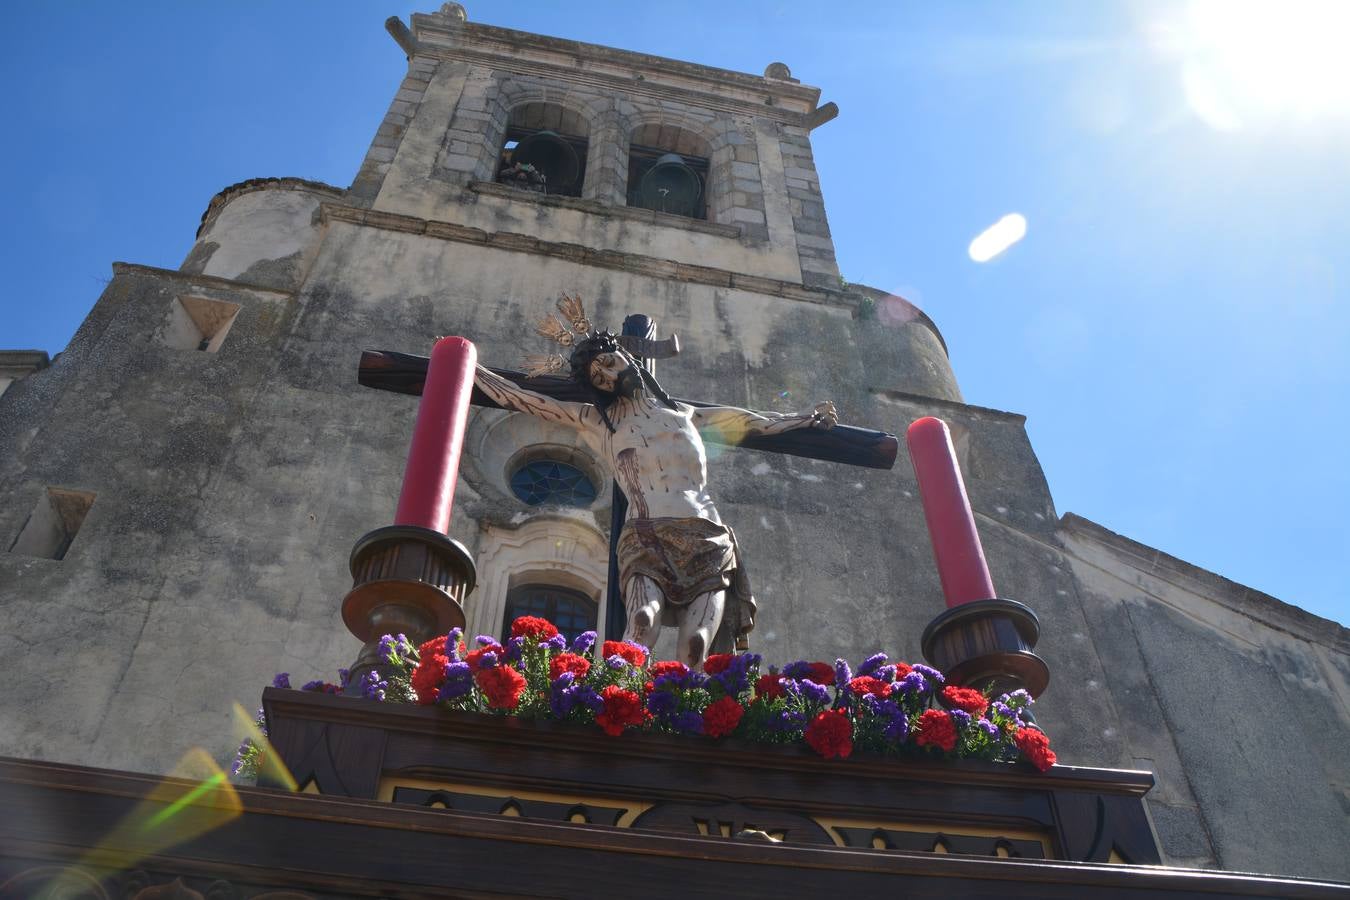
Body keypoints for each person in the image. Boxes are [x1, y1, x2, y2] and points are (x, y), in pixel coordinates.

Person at [475, 324, 836, 668]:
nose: (609, 376)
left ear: (626, 356)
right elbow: (524, 399)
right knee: (642, 622)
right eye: (598, 378)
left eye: (609, 363)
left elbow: (752, 421)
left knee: (697, 644)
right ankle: (618, 696)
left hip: (707, 535)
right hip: (646, 534)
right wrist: (468, 366)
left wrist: (804, 418)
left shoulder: (685, 414)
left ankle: (682, 704)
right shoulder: (596, 421)